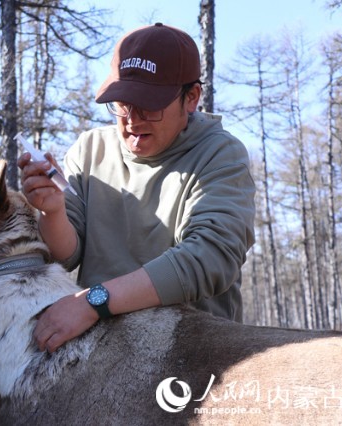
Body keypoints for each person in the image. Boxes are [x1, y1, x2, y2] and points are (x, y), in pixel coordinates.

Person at [19, 23, 256, 354]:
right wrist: (53, 210)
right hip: (97, 348)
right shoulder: (90, 150)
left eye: (149, 104)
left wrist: (93, 302)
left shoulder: (219, 155)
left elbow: (211, 257)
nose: (131, 119)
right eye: (121, 102)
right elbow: (66, 255)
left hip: (193, 350)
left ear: (191, 98)